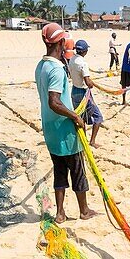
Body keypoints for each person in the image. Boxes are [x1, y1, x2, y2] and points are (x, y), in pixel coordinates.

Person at [35, 22, 97, 223]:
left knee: (59, 171)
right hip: (64, 130)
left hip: (50, 130)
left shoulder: (41, 66)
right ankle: (84, 210)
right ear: (61, 43)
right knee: (77, 170)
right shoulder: (56, 69)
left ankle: (60, 213)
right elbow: (54, 101)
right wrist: (75, 116)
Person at [69, 38, 104, 148]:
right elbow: (87, 82)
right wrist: (91, 84)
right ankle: (92, 141)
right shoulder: (83, 63)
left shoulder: (72, 59)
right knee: (98, 117)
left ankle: (82, 142)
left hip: (74, 90)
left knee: (80, 118)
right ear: (85, 51)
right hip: (83, 92)